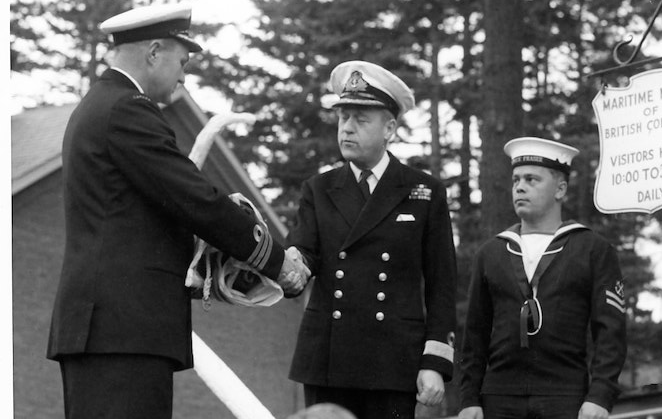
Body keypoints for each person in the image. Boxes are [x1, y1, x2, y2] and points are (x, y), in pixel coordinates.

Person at [46, 3, 309, 419]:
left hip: (110, 332)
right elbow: (195, 200)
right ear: (153, 52)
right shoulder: (127, 110)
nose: (184, 76)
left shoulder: (100, 106)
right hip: (123, 334)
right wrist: (276, 262)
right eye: (182, 61)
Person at [285, 60, 457, 419]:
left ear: (389, 128)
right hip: (329, 357)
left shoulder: (424, 191)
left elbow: (442, 285)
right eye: (343, 118)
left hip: (392, 361)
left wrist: (435, 362)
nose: (347, 129)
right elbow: (303, 253)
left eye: (360, 120)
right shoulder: (319, 189)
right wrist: (292, 265)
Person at [458, 137, 627, 419]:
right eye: (516, 180)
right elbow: (474, 334)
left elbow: (610, 332)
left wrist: (600, 395)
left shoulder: (592, 249)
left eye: (532, 179)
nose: (520, 187)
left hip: (565, 398)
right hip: (498, 398)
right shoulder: (492, 252)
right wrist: (468, 399)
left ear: (560, 188)